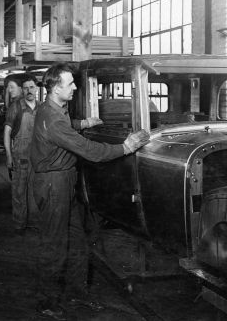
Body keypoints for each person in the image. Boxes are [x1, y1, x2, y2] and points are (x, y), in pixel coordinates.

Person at [30, 63, 150, 320]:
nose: (75, 87)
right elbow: (90, 151)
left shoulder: (54, 110)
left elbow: (67, 125)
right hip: (53, 186)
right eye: (70, 83)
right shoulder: (52, 118)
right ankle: (45, 301)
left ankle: (76, 293)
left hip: (62, 182)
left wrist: (84, 122)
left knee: (78, 243)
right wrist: (125, 148)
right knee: (55, 246)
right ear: (54, 87)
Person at [3, 74, 40, 234]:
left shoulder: (42, 107)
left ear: (37, 89)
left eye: (32, 87)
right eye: (25, 88)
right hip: (20, 157)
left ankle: (33, 222)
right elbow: (7, 133)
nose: (29, 90)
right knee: (19, 191)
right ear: (22, 90)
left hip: (37, 157)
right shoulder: (16, 107)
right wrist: (9, 156)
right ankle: (19, 224)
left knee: (35, 191)